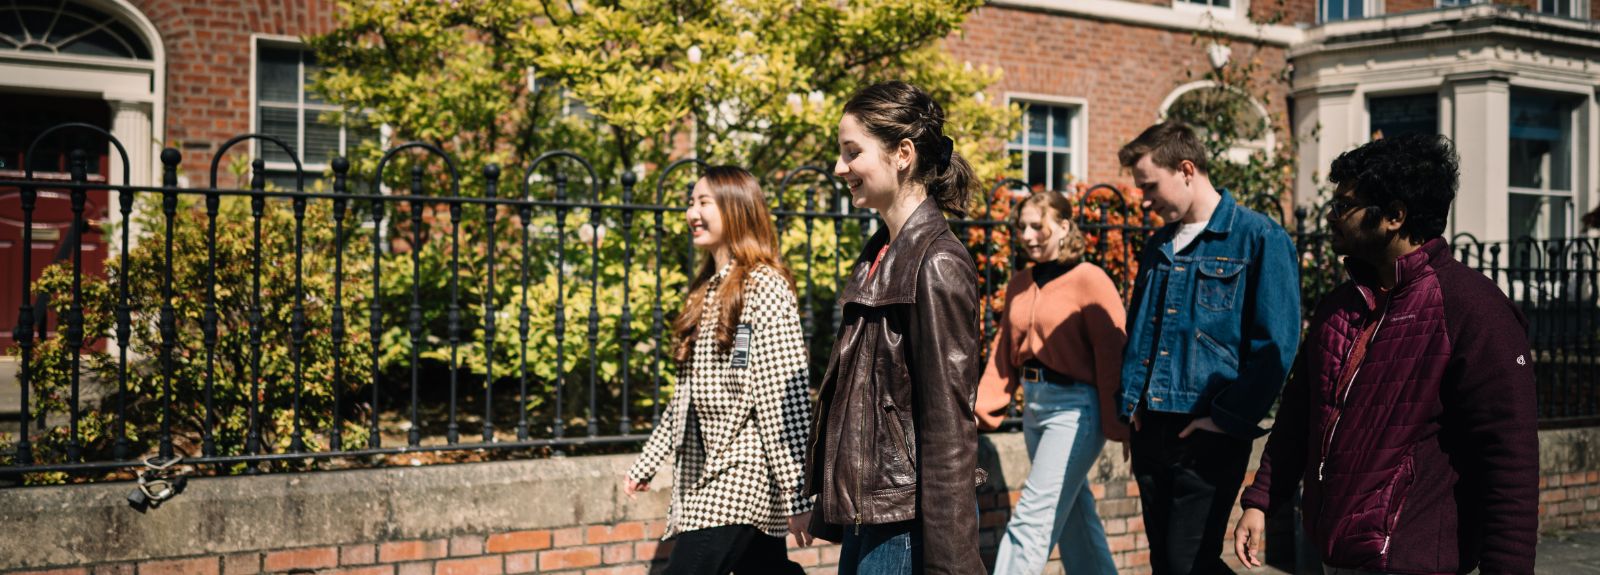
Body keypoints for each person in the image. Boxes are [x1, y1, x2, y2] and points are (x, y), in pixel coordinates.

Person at [1233, 134, 1538, 575]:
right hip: (1335, 556)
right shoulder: (1340, 306)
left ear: (1394, 216)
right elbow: (1300, 415)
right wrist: (1261, 501)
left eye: (1345, 205)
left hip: (1416, 560)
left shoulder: (1473, 308)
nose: (1331, 216)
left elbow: (1510, 461)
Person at [802, 80, 985, 575]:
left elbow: (949, 426)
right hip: (873, 517)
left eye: (852, 152)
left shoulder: (937, 262)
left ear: (902, 153)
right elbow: (859, 402)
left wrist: (951, 564)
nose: (840, 168)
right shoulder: (878, 255)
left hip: (904, 524)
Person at [1115, 121, 1302, 575]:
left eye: (1150, 185)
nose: (1144, 198)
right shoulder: (1158, 244)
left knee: (1187, 564)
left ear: (1185, 169)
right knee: (1169, 564)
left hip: (1207, 432)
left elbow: (1276, 345)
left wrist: (1226, 417)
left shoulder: (1259, 237)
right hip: (1151, 429)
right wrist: (1132, 401)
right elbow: (1141, 326)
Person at [623, 166, 812, 575]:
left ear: (737, 209)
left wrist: (797, 496)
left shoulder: (765, 285)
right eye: (691, 202)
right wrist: (647, 463)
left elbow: (784, 395)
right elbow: (684, 396)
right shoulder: (707, 288)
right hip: (712, 465)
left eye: (704, 202)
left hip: (744, 473)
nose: (692, 212)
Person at [975, 190, 1129, 575]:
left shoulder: (1090, 279)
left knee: (1032, 517)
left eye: (1036, 226)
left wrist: (1120, 423)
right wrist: (979, 410)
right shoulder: (1020, 282)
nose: (1026, 235)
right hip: (1035, 407)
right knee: (1075, 516)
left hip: (1076, 412)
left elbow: (1113, 354)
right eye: (1021, 227)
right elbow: (1004, 351)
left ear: (1063, 226)